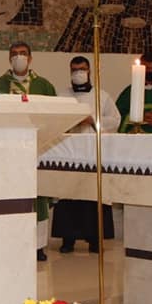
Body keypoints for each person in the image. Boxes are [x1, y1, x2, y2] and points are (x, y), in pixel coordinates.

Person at [51, 56, 120, 254]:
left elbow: (115, 120)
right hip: (69, 153)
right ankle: (68, 238)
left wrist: (92, 120)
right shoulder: (62, 96)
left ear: (89, 71)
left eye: (81, 69)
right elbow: (55, 121)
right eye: (74, 70)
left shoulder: (102, 96)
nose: (78, 73)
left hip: (92, 154)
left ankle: (95, 239)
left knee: (93, 195)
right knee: (69, 193)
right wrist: (71, 121)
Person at [0, 41, 56, 261]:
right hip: (6, 149)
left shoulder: (44, 86)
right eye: (14, 54)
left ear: (30, 58)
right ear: (9, 58)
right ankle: (9, 241)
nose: (18, 57)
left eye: (22, 54)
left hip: (36, 149)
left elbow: (53, 117)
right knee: (8, 194)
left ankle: (38, 246)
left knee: (37, 197)